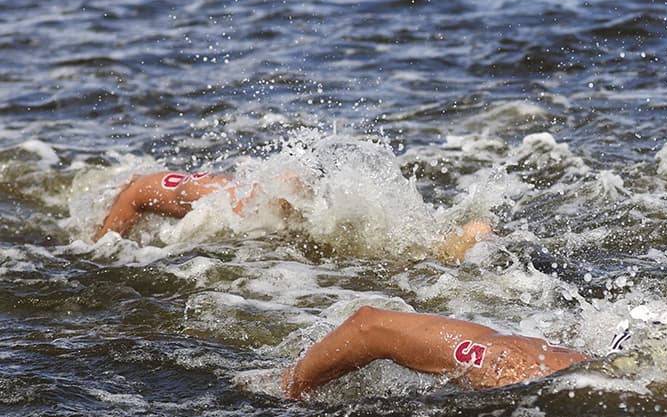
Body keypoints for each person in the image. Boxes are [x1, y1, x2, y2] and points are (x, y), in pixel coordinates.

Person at [94, 169, 492, 263]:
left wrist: (100, 247)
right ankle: (452, 244)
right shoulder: (215, 198)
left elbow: (137, 190)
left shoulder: (228, 201)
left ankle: (451, 244)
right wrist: (103, 243)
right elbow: (137, 190)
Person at [281, 306, 590, 399]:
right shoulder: (513, 363)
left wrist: (289, 390)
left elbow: (369, 327)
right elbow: (369, 327)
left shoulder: (511, 364)